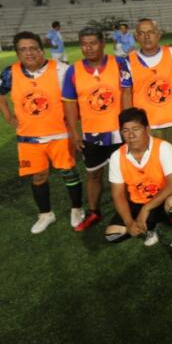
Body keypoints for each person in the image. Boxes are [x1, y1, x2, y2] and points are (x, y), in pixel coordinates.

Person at [0, 31, 84, 233]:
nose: (29, 53)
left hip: (60, 134)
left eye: (33, 48)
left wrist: (75, 124)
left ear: (41, 50)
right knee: (38, 176)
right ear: (17, 53)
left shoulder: (61, 70)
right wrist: (8, 116)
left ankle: (77, 209)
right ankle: (45, 214)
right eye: (23, 49)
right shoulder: (10, 73)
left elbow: (78, 97)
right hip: (29, 138)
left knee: (69, 172)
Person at [63, 27, 132, 231]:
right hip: (92, 135)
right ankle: (94, 212)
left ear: (103, 43)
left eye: (93, 43)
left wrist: (129, 127)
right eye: (84, 44)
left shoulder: (119, 63)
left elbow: (127, 93)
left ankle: (128, 210)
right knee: (93, 175)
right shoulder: (73, 71)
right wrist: (75, 133)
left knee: (126, 175)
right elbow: (69, 103)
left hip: (119, 133)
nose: (88, 48)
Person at [104, 108, 172, 263]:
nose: (131, 135)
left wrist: (146, 209)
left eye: (136, 129)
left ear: (147, 129)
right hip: (138, 202)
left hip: (164, 200)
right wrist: (129, 222)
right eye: (126, 131)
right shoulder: (117, 157)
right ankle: (149, 229)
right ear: (121, 133)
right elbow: (117, 195)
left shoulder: (164, 147)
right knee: (112, 234)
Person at [125, 19, 172, 162]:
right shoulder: (128, 61)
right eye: (142, 33)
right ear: (136, 37)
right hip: (144, 125)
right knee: (149, 166)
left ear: (158, 34)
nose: (146, 36)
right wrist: (130, 123)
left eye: (151, 32)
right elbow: (126, 92)